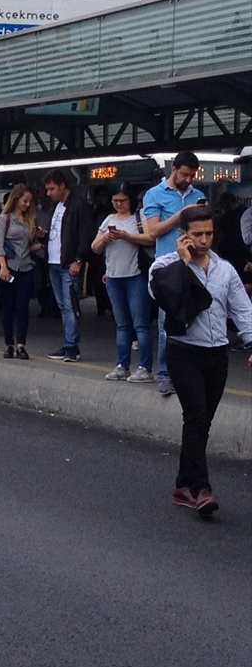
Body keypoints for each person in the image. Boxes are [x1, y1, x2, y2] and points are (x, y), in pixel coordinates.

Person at [148, 205, 252, 516]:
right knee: (195, 417)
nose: (204, 240)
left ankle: (183, 484)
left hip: (216, 353)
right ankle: (200, 488)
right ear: (184, 236)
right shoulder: (164, 266)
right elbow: (162, 296)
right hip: (183, 351)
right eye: (197, 234)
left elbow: (242, 309)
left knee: (202, 422)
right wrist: (184, 261)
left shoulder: (225, 269)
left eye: (208, 233)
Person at [140, 152, 206, 396]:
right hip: (168, 265)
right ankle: (166, 373)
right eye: (184, 174)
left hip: (196, 264)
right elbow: (153, 231)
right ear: (174, 169)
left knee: (197, 317)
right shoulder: (154, 195)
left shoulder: (199, 195)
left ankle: (191, 371)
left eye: (192, 176)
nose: (188, 179)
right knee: (167, 321)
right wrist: (182, 214)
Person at [92, 185, 156, 380]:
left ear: (131, 201)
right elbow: (94, 248)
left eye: (123, 200)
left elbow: (150, 238)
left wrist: (127, 236)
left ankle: (145, 367)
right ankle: (122, 365)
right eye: (115, 201)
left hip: (135, 275)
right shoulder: (108, 220)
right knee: (121, 324)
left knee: (141, 324)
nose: (119, 204)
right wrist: (105, 238)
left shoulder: (139, 218)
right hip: (113, 277)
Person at [42, 169, 95, 363]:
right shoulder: (56, 207)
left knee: (70, 305)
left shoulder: (78, 205)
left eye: (51, 189)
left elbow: (85, 233)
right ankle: (68, 344)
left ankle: (71, 346)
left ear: (62, 186)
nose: (49, 193)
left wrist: (79, 259)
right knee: (64, 306)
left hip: (68, 262)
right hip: (54, 261)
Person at [0, 184, 41, 359]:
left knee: (23, 306)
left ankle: (21, 344)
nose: (27, 205)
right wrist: (3, 266)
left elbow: (30, 246)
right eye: (24, 201)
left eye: (30, 202)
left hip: (26, 267)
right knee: (8, 306)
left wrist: (41, 241)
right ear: (15, 199)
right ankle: (9, 343)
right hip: (9, 267)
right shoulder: (4, 219)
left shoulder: (29, 220)